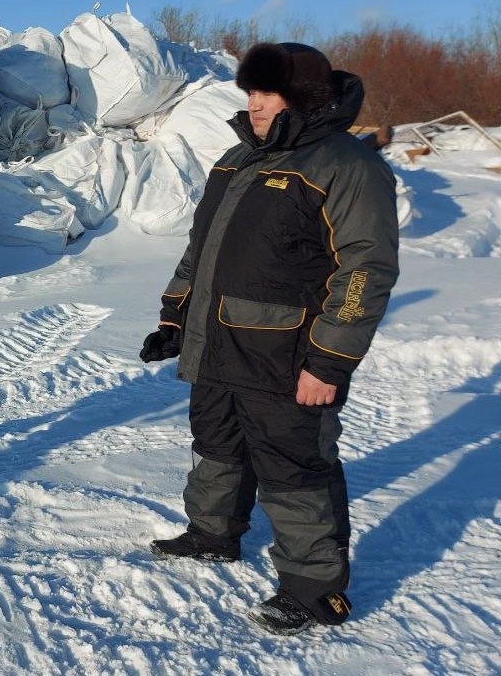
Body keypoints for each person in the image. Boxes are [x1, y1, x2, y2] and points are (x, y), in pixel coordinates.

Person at [140, 42, 399, 635]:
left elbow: (364, 271)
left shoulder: (346, 165)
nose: (252, 104)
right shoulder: (238, 159)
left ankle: (314, 590)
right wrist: (175, 317)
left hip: (288, 358)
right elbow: (201, 251)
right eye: (249, 92)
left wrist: (330, 360)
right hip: (220, 343)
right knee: (217, 443)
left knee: (293, 468)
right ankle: (213, 535)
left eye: (265, 93)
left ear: (301, 97)